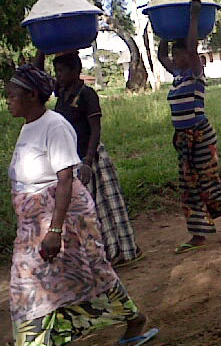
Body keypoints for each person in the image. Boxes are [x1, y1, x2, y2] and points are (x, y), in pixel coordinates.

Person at [6, 64, 157, 346]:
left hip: (61, 222)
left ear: (31, 96)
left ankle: (33, 342)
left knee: (39, 283)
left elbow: (65, 180)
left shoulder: (55, 126)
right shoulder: (30, 126)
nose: (7, 100)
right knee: (73, 279)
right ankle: (132, 317)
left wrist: (55, 230)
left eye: (12, 95)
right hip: (33, 226)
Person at [36, 50, 143, 268]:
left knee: (105, 207)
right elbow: (37, 77)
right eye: (56, 71)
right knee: (85, 209)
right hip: (71, 159)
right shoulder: (62, 92)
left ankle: (119, 251)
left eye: (62, 71)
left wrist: (88, 162)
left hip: (90, 157)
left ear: (77, 71)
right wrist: (41, 50)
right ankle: (101, 253)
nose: (59, 75)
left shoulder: (87, 94)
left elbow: (95, 130)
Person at [158, 0, 221, 254]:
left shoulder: (196, 72)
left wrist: (193, 18)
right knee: (188, 185)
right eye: (176, 54)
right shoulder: (177, 74)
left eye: (182, 53)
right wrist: (164, 32)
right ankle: (198, 233)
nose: (177, 57)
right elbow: (160, 55)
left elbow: (194, 46)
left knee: (207, 182)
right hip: (184, 139)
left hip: (201, 137)